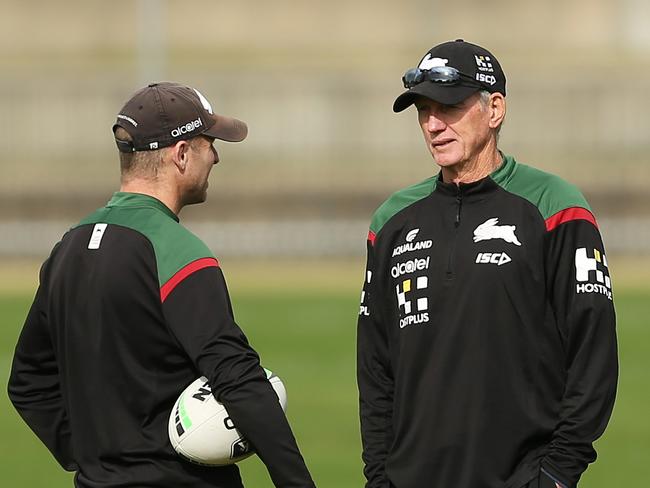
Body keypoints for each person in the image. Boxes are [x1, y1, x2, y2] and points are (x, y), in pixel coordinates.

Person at [8, 82, 316, 488]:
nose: (217, 156)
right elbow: (238, 378)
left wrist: (90, 455)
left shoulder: (69, 247)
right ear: (182, 154)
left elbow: (28, 381)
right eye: (210, 143)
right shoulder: (176, 251)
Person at [356, 39, 618, 488]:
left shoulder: (554, 206)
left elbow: (594, 354)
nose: (433, 124)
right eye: (423, 110)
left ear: (494, 109)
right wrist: (379, 476)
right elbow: (376, 367)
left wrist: (557, 473)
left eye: (449, 107)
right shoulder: (390, 221)